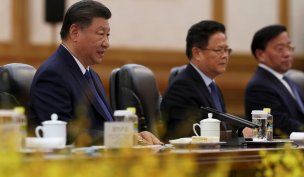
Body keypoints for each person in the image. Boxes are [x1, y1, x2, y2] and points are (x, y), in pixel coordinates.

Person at [28, 0, 162, 145]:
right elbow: (63, 134)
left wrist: (136, 136)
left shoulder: (91, 74)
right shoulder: (53, 74)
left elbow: (106, 127)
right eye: (100, 34)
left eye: (108, 35)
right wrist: (123, 139)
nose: (106, 43)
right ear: (74, 33)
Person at [161, 20, 237, 140]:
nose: (225, 56)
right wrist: (235, 136)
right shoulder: (182, 88)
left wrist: (242, 132)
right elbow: (189, 135)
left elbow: (223, 126)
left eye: (227, 50)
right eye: (219, 50)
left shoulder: (212, 87)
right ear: (197, 53)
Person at [245, 25, 304, 137]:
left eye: (289, 47)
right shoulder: (259, 86)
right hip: (280, 151)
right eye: (280, 49)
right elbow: (279, 124)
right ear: (260, 54)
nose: (287, 54)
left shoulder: (288, 80)